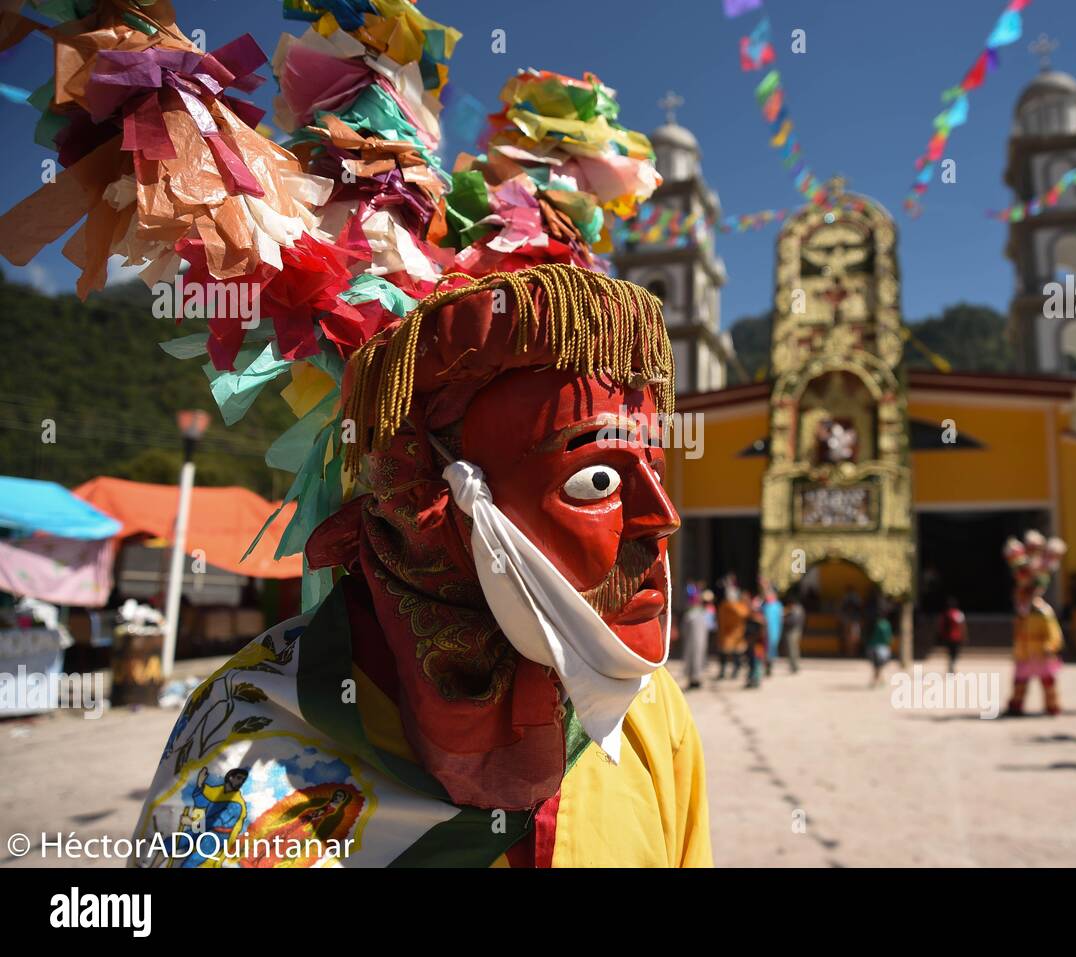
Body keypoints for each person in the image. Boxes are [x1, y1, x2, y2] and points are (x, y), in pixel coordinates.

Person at [24, 2, 717, 865]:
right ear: (429, 499)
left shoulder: (649, 715)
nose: (664, 519)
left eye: (654, 464)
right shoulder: (245, 766)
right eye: (598, 479)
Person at [1004, 531, 1067, 717]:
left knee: (1048, 682)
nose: (1019, 595)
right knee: (1020, 681)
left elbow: (1053, 633)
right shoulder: (1022, 613)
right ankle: (1016, 705)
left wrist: (1050, 645)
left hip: (1041, 653)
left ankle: (1052, 705)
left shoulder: (1042, 611)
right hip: (1024, 653)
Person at [680, 589, 711, 691]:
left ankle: (695, 680)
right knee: (695, 659)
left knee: (696, 659)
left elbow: (683, 629)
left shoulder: (692, 615)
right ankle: (695, 680)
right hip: (697, 641)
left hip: (693, 641)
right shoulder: (700, 614)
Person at [717, 587, 749, 680]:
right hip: (727, 634)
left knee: (735, 654)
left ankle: (734, 671)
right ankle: (724, 671)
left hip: (735, 635)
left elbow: (744, 614)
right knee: (725, 654)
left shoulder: (737, 606)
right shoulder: (725, 606)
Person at [936, 596, 967, 672]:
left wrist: (940, 635)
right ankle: (952, 664)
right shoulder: (959, 614)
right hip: (956, 637)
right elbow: (962, 626)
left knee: (950, 652)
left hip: (947, 637)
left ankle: (951, 664)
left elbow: (940, 626)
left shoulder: (945, 614)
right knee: (955, 652)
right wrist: (964, 636)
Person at [743, 592, 766, 689]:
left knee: (756, 664)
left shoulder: (759, 621)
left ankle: (755, 680)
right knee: (751, 663)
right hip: (751, 646)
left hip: (757, 647)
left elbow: (761, 635)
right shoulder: (749, 618)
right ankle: (751, 679)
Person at [761, 585, 784, 677]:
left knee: (771, 649)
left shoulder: (777, 605)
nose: (767, 596)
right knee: (764, 650)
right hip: (764, 631)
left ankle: (769, 667)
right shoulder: (764, 605)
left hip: (774, 631)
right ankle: (765, 667)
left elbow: (780, 619)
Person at [782, 591, 805, 674]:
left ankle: (794, 666)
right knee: (794, 649)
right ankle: (794, 665)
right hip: (796, 630)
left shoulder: (796, 609)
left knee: (792, 649)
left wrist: (784, 620)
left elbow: (793, 621)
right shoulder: (799, 608)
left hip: (793, 631)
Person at [867, 613, 892, 687]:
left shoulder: (878, 624)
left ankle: (876, 681)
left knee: (877, 666)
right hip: (881, 648)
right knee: (878, 666)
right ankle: (878, 681)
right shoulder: (886, 624)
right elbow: (888, 637)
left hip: (874, 647)